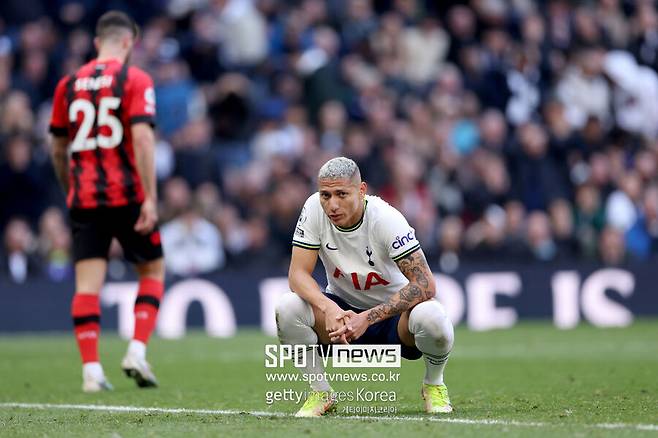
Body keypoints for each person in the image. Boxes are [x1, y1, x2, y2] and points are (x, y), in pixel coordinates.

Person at [275, 157, 454, 417]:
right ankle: (321, 392)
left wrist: (368, 318)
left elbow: (425, 284)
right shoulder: (314, 209)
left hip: (393, 319)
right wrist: (328, 308)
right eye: (325, 195)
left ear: (361, 191)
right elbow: (297, 275)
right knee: (287, 306)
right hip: (343, 316)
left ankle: (434, 384)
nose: (332, 205)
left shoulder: (385, 219)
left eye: (341, 194)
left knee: (433, 318)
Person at [48, 11, 164, 393]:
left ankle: (91, 371)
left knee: (87, 287)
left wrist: (70, 187)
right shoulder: (135, 78)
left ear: (98, 43)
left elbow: (58, 146)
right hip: (128, 194)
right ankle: (136, 350)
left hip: (85, 198)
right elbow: (144, 140)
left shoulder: (67, 85)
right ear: (129, 43)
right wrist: (150, 198)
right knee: (152, 271)